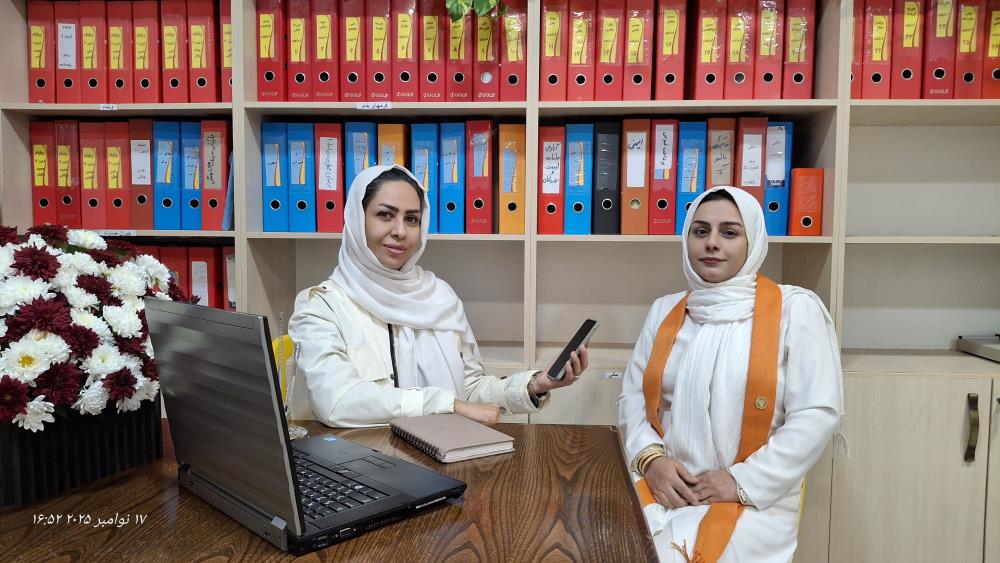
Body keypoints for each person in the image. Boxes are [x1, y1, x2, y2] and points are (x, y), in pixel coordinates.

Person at [617, 186, 843, 562]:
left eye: (729, 232)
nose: (712, 243)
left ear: (752, 241)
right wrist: (652, 462)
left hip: (752, 496)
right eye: (700, 231)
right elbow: (633, 398)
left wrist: (739, 481)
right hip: (666, 484)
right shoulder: (665, 310)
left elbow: (816, 413)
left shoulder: (795, 310)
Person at [289, 164, 588, 428]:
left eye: (412, 219)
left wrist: (535, 385)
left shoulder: (439, 297)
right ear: (356, 220)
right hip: (365, 465)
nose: (400, 231)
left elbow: (469, 391)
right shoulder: (322, 306)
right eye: (385, 215)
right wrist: (445, 404)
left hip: (446, 458)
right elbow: (337, 401)